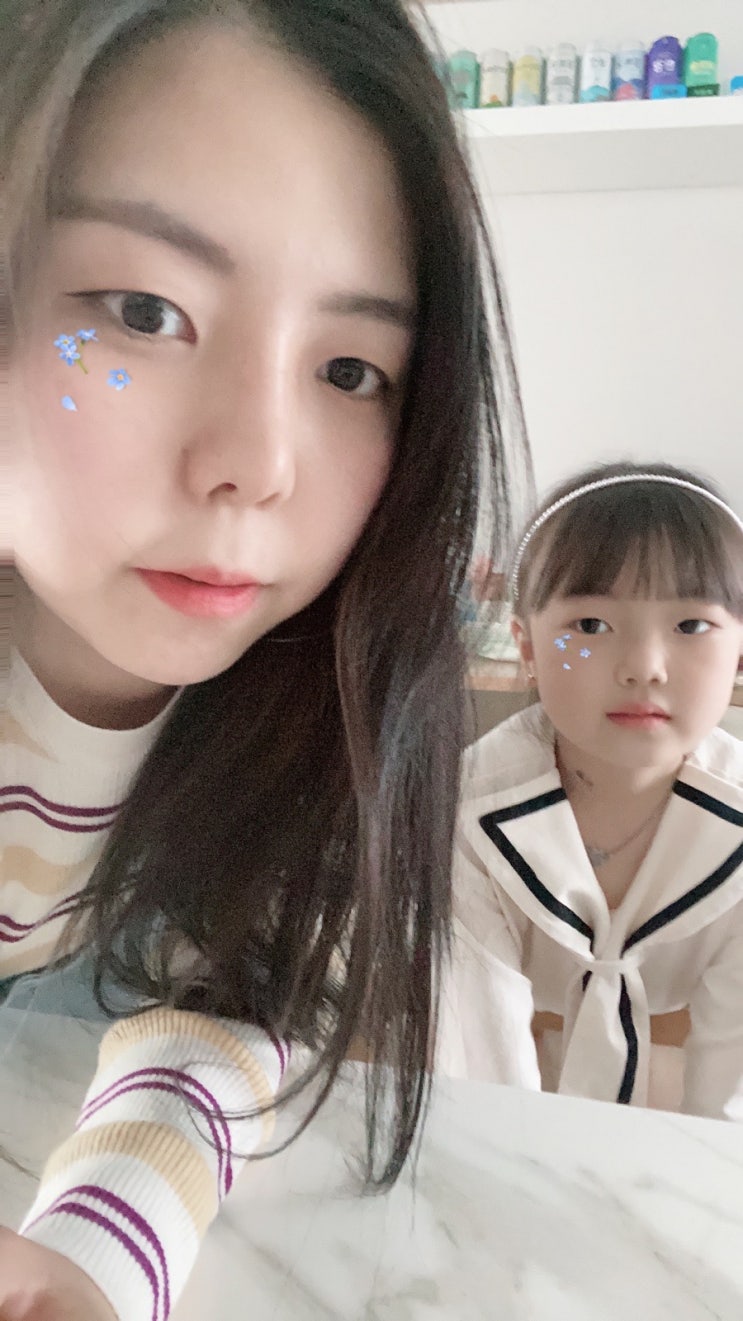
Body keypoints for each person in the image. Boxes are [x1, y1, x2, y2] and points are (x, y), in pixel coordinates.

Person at [1, 1, 532, 1317]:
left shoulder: (324, 699)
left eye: (349, 370)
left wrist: (103, 1248)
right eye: (144, 310)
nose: (257, 462)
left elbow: (234, 997)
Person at [438, 461, 743, 1119]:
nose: (644, 668)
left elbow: (732, 1093)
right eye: (590, 627)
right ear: (525, 647)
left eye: (691, 626)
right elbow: (478, 1062)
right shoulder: (461, 812)